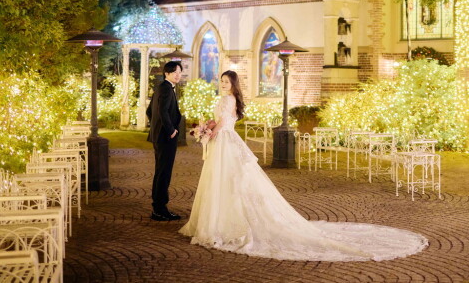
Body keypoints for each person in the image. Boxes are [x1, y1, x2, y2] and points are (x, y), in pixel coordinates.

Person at [179, 71, 428, 261]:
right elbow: (219, 121)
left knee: (228, 180)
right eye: (221, 81)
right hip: (225, 141)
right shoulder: (228, 99)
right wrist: (206, 128)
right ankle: (223, 218)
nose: (223, 85)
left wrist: (209, 133)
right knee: (226, 181)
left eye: (226, 82)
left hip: (226, 142)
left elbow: (223, 123)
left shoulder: (228, 100)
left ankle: (224, 222)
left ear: (233, 85)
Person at [146, 61, 184, 221]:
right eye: (175, 72)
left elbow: (150, 111)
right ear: (167, 73)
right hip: (166, 137)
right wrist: (171, 131)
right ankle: (160, 209)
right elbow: (162, 111)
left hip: (160, 136)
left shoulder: (161, 88)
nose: (178, 75)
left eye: (180, 72)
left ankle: (158, 207)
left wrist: (156, 127)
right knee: (164, 173)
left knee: (160, 171)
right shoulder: (166, 89)